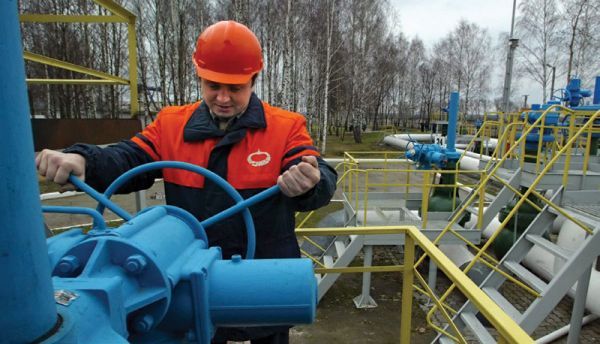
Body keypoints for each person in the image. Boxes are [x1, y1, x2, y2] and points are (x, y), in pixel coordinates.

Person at [36, 20, 337, 344]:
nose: (222, 97)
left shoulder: (286, 127)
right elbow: (128, 158)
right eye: (213, 85)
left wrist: (310, 181)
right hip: (192, 286)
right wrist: (83, 159)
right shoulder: (170, 125)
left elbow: (313, 170)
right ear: (200, 78)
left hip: (262, 278)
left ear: (253, 81)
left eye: (234, 88)